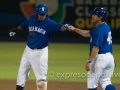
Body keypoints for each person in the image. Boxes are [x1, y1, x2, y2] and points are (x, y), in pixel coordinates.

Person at [9, 4, 68, 90]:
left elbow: (59, 27)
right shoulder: (32, 18)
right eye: (41, 14)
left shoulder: (50, 23)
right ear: (37, 13)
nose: (42, 16)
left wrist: (65, 27)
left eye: (44, 14)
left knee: (41, 80)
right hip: (28, 50)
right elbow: (25, 24)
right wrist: (17, 29)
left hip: (40, 53)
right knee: (21, 74)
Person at [68, 7, 116, 90]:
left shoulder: (100, 30)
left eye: (94, 14)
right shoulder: (105, 27)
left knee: (92, 84)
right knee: (106, 81)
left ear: (100, 17)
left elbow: (96, 48)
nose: (92, 16)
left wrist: (89, 61)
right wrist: (75, 29)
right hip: (109, 58)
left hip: (100, 58)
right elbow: (88, 33)